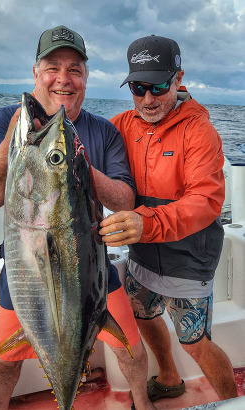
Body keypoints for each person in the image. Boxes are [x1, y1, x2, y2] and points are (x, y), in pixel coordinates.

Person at [0, 25, 155, 410]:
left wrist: (74, 164)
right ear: (36, 73)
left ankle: (142, 403)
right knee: (6, 359)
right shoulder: (7, 120)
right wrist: (16, 136)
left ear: (86, 78)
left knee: (131, 349)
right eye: (52, 67)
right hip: (27, 265)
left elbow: (125, 200)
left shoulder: (103, 132)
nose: (63, 78)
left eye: (75, 69)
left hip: (91, 265)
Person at [99, 34, 238, 403]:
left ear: (178, 80)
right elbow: (82, 137)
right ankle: (170, 378)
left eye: (159, 86)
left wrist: (146, 223)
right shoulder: (122, 125)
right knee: (143, 315)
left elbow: (205, 201)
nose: (148, 98)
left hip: (189, 257)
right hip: (144, 253)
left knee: (195, 342)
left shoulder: (199, 131)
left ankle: (230, 400)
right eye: (138, 87)